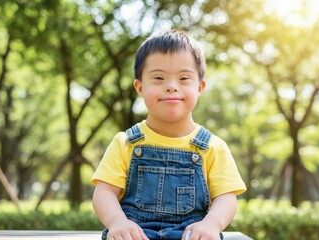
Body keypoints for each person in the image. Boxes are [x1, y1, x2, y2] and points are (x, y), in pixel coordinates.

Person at [92, 29, 246, 240]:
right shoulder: (125, 143)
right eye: (158, 78)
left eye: (184, 78)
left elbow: (226, 197)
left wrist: (211, 224)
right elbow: (104, 192)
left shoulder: (212, 147)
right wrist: (118, 222)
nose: (172, 87)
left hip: (191, 235)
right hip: (136, 234)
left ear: (200, 87)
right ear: (140, 87)